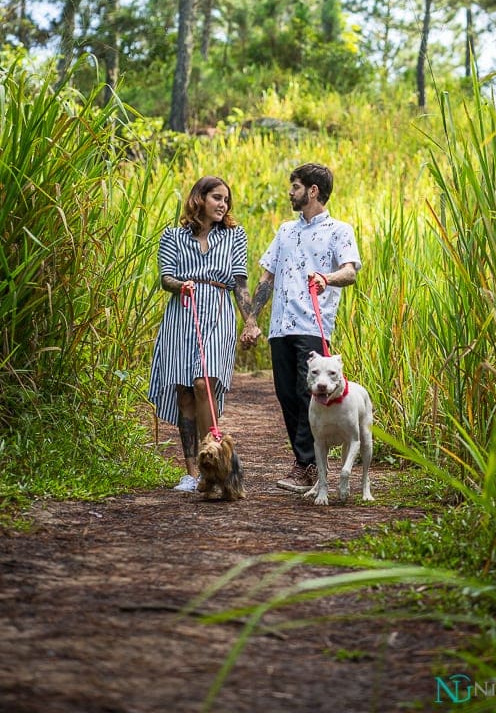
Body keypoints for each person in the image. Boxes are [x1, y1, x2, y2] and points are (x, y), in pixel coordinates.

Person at [241, 163, 361, 493]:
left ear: (312, 191)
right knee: (285, 396)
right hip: (280, 327)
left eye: (295, 187)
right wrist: (252, 318)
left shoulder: (340, 230)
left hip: (314, 323)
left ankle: (304, 464)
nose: (290, 193)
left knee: (307, 392)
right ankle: (306, 464)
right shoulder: (284, 231)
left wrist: (326, 278)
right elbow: (267, 278)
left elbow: (349, 273)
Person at [148, 175, 258, 492]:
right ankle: (192, 472)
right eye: (217, 198)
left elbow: (240, 283)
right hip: (183, 310)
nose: (223, 205)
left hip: (219, 310)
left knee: (203, 382)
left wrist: (249, 321)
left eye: (226, 200)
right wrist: (181, 284)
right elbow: (165, 278)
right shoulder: (172, 236)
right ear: (200, 198)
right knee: (185, 392)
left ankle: (216, 463)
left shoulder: (235, 236)